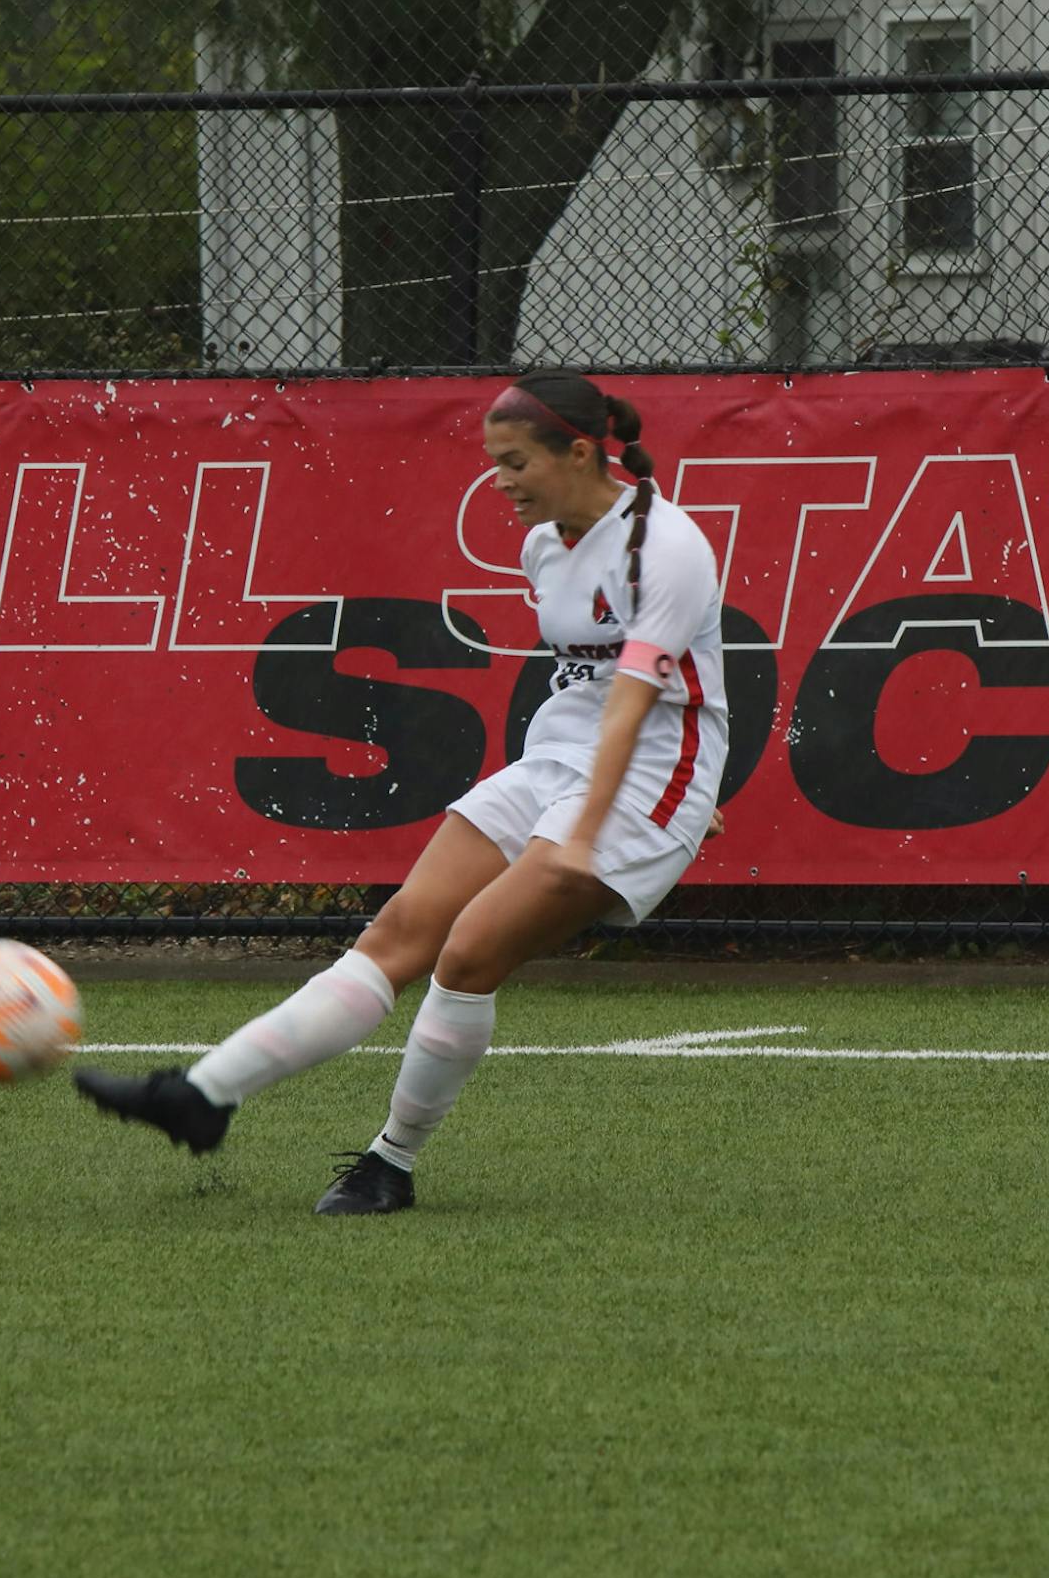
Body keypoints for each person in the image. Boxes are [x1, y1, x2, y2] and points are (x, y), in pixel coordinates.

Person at [74, 369, 730, 1214]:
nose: (502, 483)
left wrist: (624, 818)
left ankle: (391, 1164)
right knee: (396, 934)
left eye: (516, 463)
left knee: (466, 957)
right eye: (494, 463)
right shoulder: (543, 545)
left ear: (578, 451)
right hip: (562, 760)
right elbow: (599, 686)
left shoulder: (667, 546)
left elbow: (644, 699)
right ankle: (203, 1098)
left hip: (635, 779)